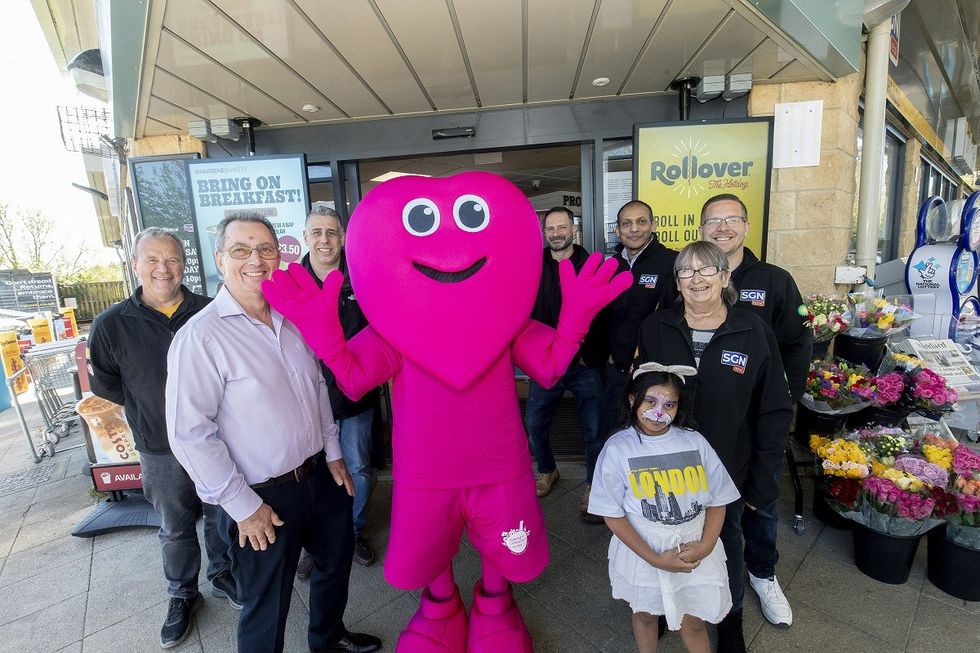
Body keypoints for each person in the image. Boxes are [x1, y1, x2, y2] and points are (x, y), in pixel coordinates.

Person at [166, 213, 382, 653]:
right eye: (241, 250)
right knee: (267, 605)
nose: (256, 260)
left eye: (265, 249)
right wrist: (242, 508)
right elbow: (190, 434)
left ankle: (328, 640)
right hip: (261, 497)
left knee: (334, 567)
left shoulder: (292, 317)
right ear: (220, 259)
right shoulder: (201, 336)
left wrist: (334, 451)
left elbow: (316, 386)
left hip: (319, 476)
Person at [634, 241, 792, 653]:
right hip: (666, 467)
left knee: (726, 542)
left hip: (730, 466)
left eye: (707, 269)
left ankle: (729, 617)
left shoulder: (753, 330)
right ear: (677, 282)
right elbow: (641, 395)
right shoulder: (656, 327)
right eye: (686, 271)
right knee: (664, 535)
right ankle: (667, 606)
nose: (696, 278)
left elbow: (773, 409)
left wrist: (763, 479)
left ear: (725, 277)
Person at [89, 227, 238, 649]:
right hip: (159, 448)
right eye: (152, 260)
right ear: (135, 265)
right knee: (174, 528)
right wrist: (150, 409)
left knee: (221, 514)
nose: (163, 268)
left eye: (172, 259)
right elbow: (108, 384)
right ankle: (183, 594)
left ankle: (223, 575)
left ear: (184, 264)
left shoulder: (212, 311)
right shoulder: (110, 325)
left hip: (216, 440)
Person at [700, 193, 811, 627]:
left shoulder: (775, 280)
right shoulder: (693, 275)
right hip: (711, 416)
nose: (722, 227)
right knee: (705, 498)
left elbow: (799, 342)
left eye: (731, 219)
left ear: (746, 226)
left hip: (759, 414)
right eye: (713, 221)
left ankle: (763, 573)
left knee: (760, 498)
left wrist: (785, 399)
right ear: (702, 229)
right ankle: (706, 572)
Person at [589, 364, 740, 653]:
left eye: (669, 404)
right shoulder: (618, 448)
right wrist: (655, 559)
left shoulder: (695, 442)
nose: (659, 413)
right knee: (646, 614)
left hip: (695, 548)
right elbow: (612, 513)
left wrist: (706, 545)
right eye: (650, 401)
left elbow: (718, 499)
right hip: (644, 550)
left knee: (693, 619)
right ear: (632, 399)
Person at [298, 203, 380, 570]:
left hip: (356, 396)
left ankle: (354, 531)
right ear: (306, 237)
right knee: (313, 473)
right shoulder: (291, 283)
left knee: (358, 466)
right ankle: (315, 543)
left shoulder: (363, 276)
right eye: (316, 232)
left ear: (342, 237)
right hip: (308, 398)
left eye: (331, 232)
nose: (324, 240)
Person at [526, 207, 608, 521]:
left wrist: (597, 352)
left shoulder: (592, 264)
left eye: (562, 227)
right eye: (550, 228)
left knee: (594, 430)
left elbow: (607, 313)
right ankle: (548, 469)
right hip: (545, 363)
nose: (556, 233)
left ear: (574, 230)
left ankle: (593, 484)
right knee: (535, 425)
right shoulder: (532, 265)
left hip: (584, 363)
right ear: (544, 233)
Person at [601, 200, 678, 448]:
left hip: (653, 371)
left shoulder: (671, 263)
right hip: (617, 369)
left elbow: (675, 318)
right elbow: (601, 315)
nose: (634, 229)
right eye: (626, 224)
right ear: (618, 230)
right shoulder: (611, 266)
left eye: (641, 222)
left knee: (651, 438)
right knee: (613, 434)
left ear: (653, 225)